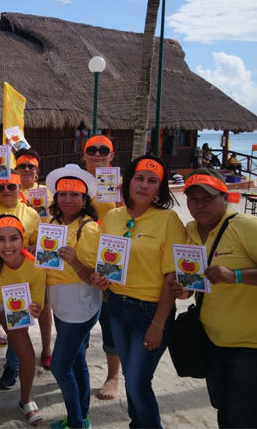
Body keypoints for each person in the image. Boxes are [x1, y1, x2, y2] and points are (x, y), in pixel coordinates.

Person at [181, 168, 257, 428]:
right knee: (224, 409)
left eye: (207, 198)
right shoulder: (189, 231)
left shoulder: (247, 226)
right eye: (193, 199)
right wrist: (185, 289)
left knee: (246, 418)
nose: (199, 205)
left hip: (255, 346)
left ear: (225, 197)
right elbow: (195, 278)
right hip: (213, 339)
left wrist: (236, 275)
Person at [80, 155, 185, 428]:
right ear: (128, 182)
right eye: (139, 178)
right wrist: (101, 279)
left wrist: (159, 322)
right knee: (130, 376)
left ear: (159, 189)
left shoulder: (168, 220)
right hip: (116, 306)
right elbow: (109, 262)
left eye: (152, 181)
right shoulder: (113, 216)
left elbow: (171, 276)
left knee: (138, 383)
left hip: (150, 310)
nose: (144, 185)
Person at [41, 164, 102, 429]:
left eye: (75, 194)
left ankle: (76, 423)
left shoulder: (88, 229)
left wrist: (75, 262)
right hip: (60, 303)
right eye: (63, 194)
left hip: (80, 305)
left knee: (59, 367)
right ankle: (83, 417)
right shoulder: (52, 223)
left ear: (85, 199)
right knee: (77, 362)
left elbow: (95, 278)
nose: (67, 199)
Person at [0, 215, 45, 428]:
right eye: (1, 240)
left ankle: (26, 400)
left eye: (14, 239)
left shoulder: (35, 265)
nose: (7, 245)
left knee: (27, 355)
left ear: (23, 241)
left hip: (11, 306)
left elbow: (38, 302)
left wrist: (36, 308)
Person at [80, 134, 121, 400]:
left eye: (103, 149)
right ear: (83, 155)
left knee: (110, 321)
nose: (97, 153)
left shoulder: (121, 183)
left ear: (111, 154)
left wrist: (119, 195)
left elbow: (133, 218)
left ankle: (113, 376)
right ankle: (78, 367)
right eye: (91, 149)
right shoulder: (76, 180)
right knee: (78, 318)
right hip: (81, 256)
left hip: (110, 259)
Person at [15, 149, 54, 370]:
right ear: (16, 170)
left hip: (42, 256)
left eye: (31, 166)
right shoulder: (10, 190)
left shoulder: (47, 193)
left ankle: (46, 349)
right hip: (18, 257)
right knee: (21, 303)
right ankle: (20, 353)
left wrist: (39, 245)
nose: (27, 170)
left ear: (37, 171)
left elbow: (56, 224)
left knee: (44, 304)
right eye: (23, 166)